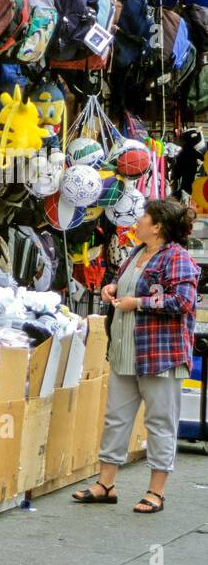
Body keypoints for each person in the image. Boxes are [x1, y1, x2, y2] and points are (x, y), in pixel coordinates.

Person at [73, 199, 200, 513]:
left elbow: (182, 301)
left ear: (157, 226)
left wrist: (139, 303)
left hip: (159, 355)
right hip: (125, 353)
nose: (137, 221)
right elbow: (129, 286)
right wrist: (113, 288)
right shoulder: (136, 254)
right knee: (116, 419)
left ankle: (156, 492)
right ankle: (106, 484)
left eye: (144, 217)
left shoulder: (177, 258)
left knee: (160, 423)